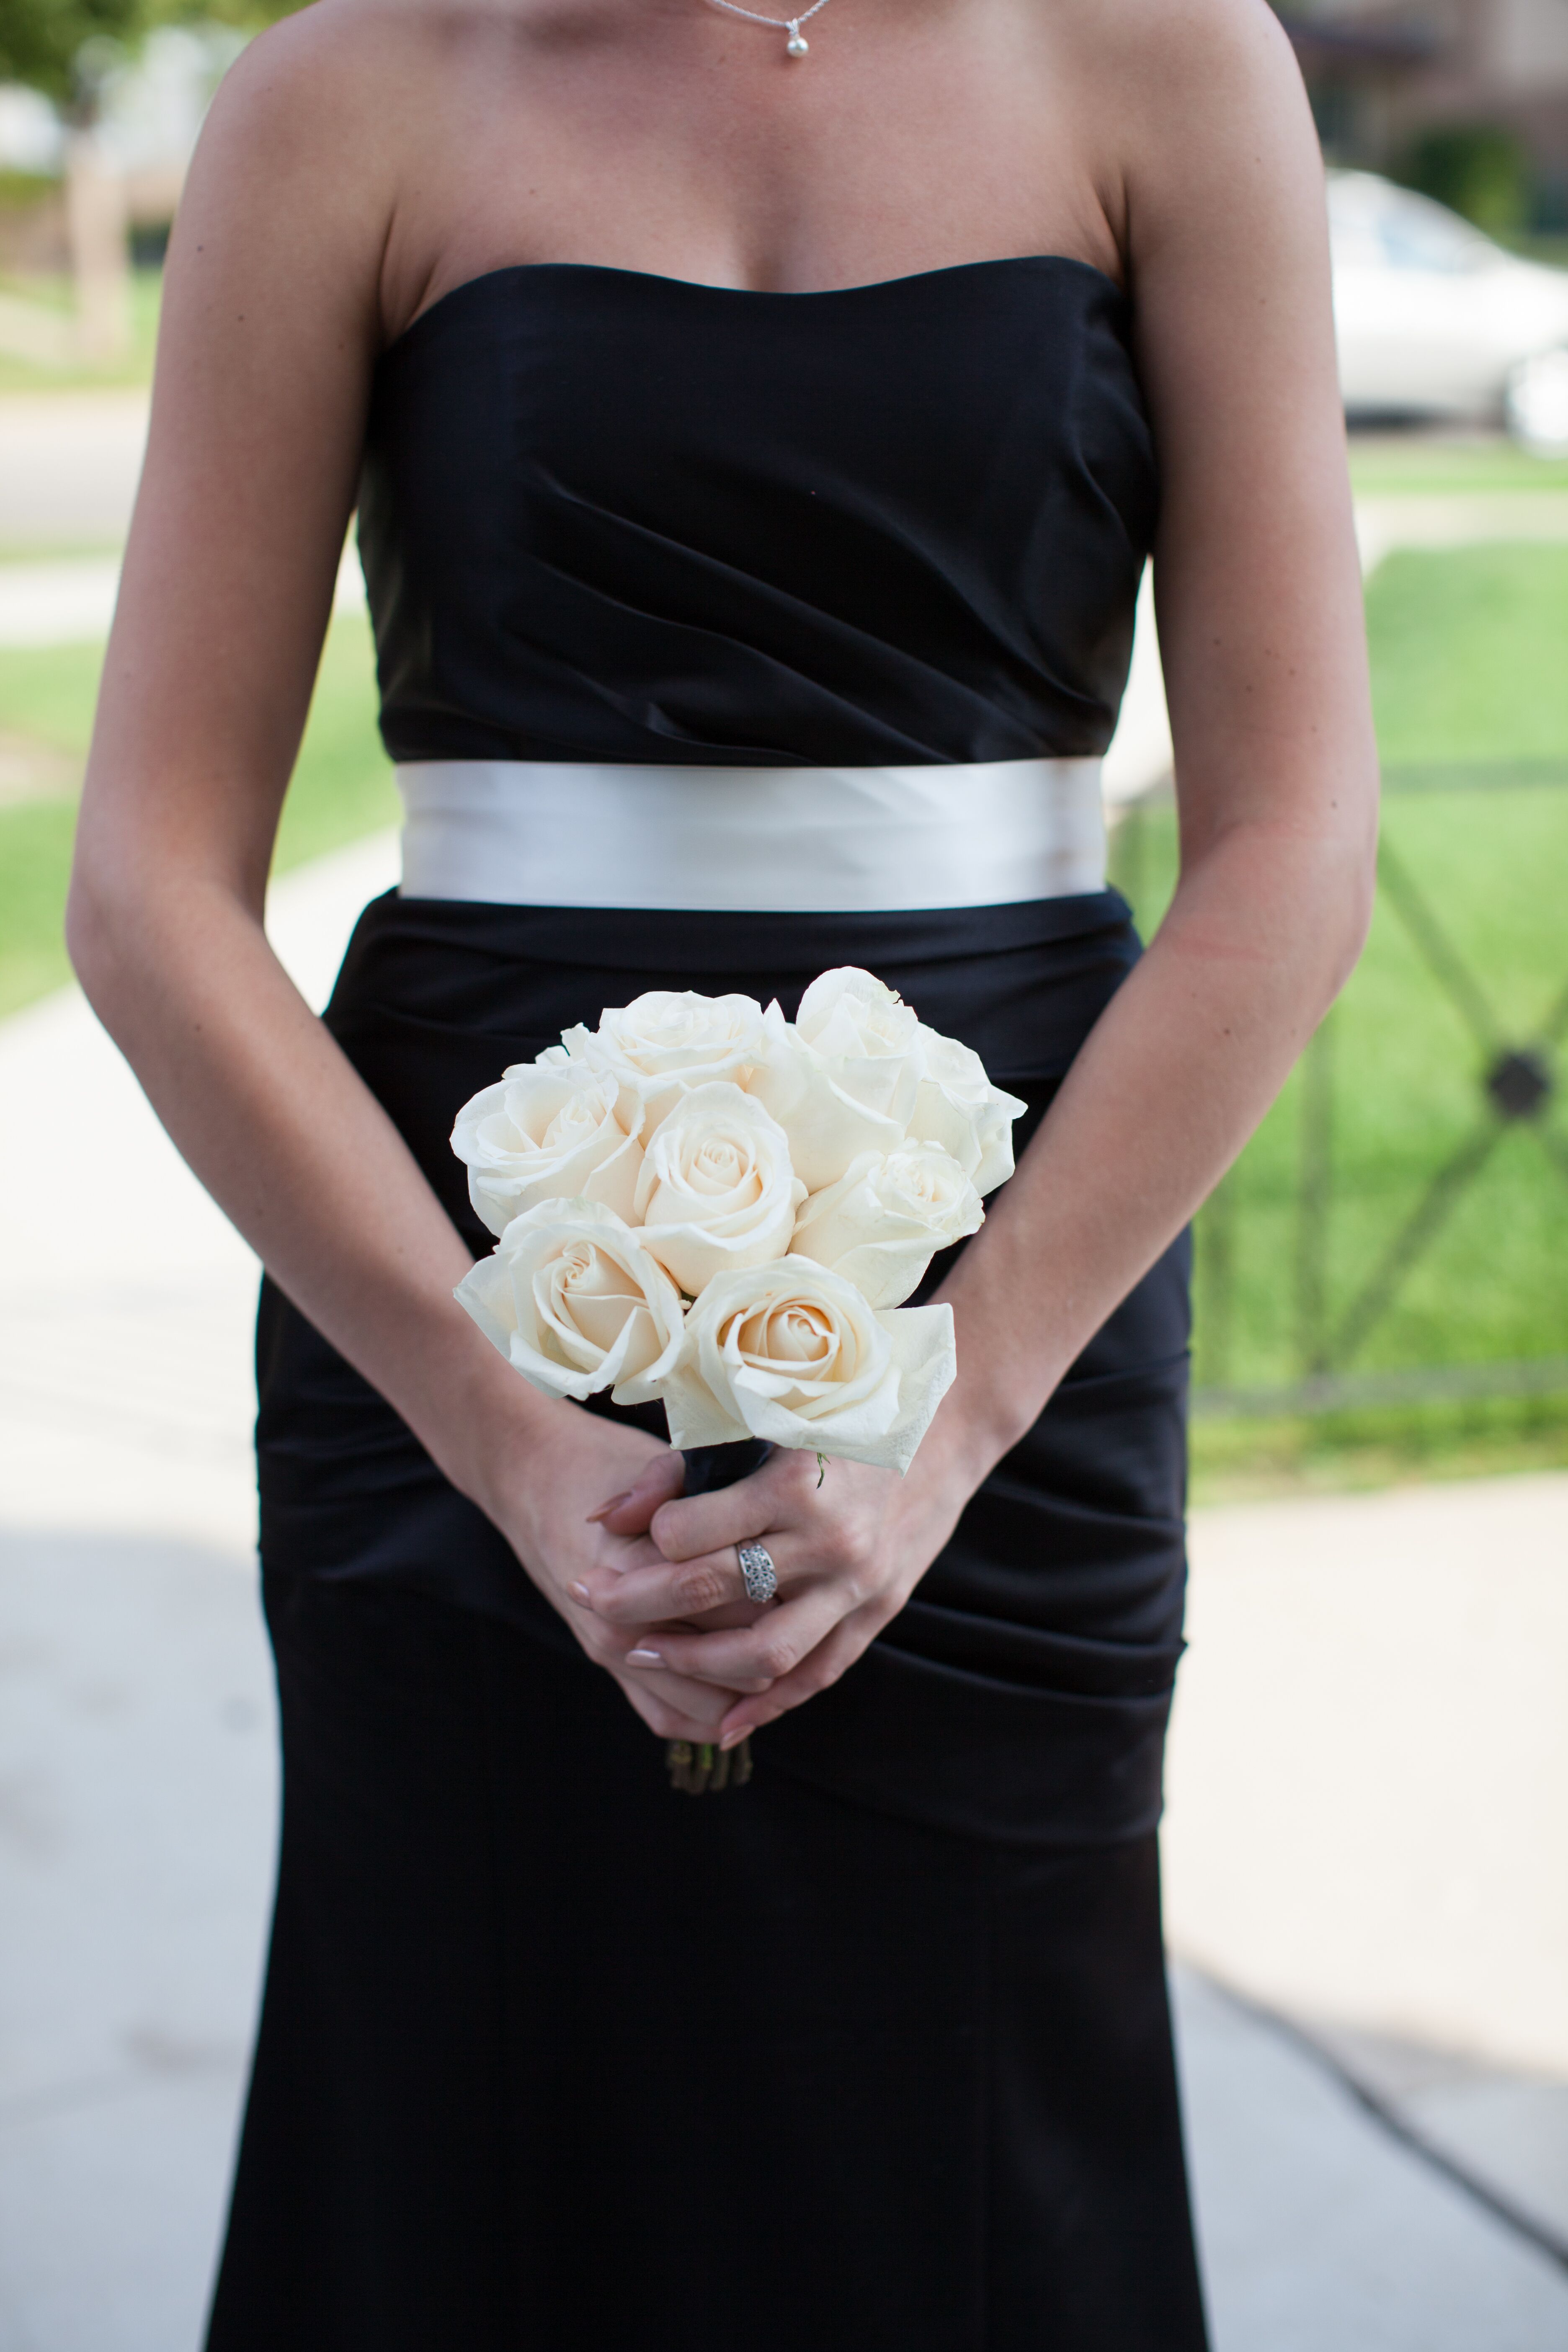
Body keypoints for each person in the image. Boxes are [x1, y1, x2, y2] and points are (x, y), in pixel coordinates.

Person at [67, 0, 1376, 2333]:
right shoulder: (344, 95)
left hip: (1017, 1269)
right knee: (469, 2102)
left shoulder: (1169, 65)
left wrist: (956, 1404)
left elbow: (1292, 847)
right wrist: (486, 1412)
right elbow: (150, 885)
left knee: (981, 2131)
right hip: (454, 1287)